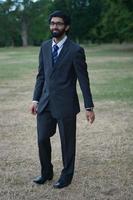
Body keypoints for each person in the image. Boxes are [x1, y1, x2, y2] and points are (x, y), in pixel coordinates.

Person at [30, 10, 95, 189]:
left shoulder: (76, 51)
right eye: (52, 23)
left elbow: (83, 80)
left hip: (66, 105)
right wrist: (35, 99)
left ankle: (66, 176)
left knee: (67, 143)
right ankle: (46, 172)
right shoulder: (44, 47)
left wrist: (89, 106)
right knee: (42, 138)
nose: (54, 26)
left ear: (66, 27)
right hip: (45, 103)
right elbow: (41, 76)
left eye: (58, 23)